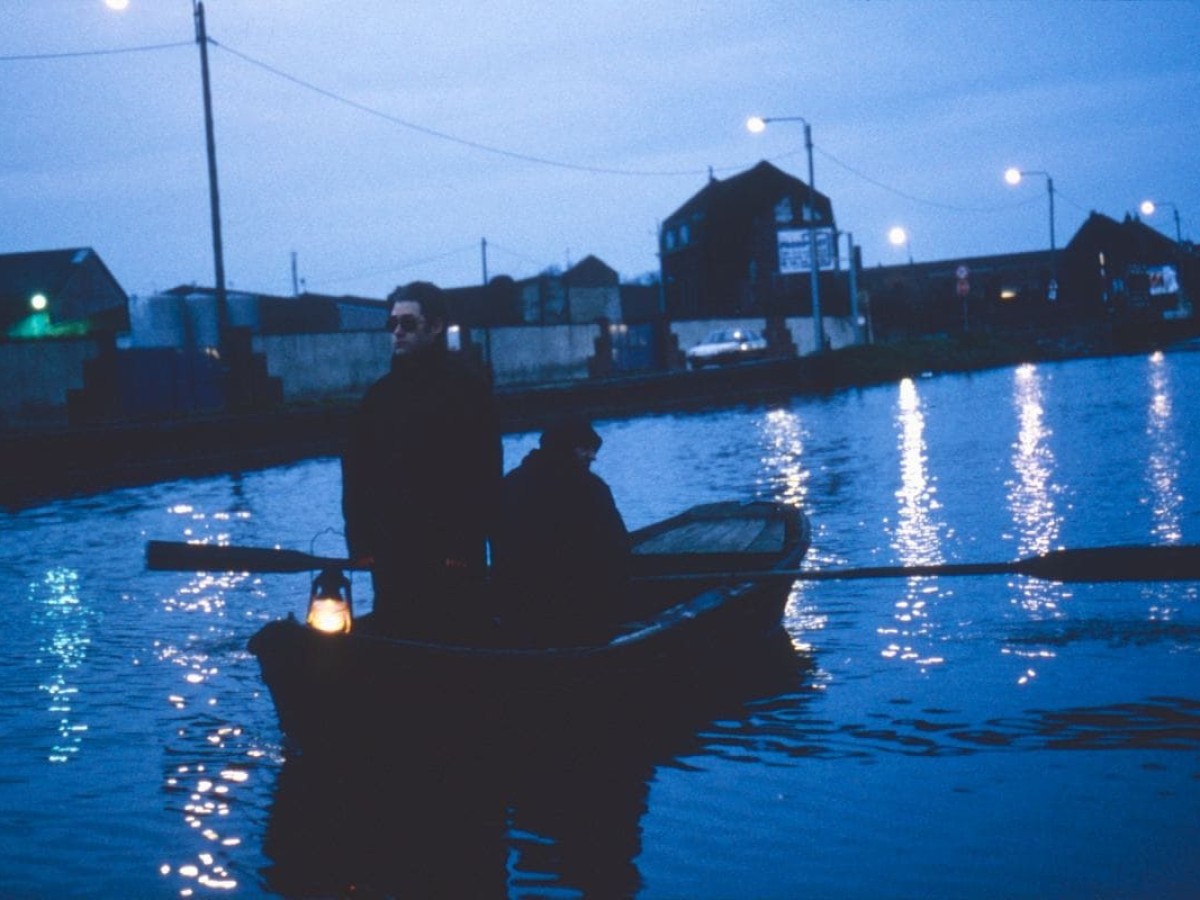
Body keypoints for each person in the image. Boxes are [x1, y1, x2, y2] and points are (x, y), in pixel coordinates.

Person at [341, 282, 502, 636]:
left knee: (456, 635)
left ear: (436, 326)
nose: (397, 332)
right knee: (400, 633)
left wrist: (463, 543)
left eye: (408, 323)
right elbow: (356, 476)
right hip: (393, 555)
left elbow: (483, 477)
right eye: (393, 324)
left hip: (452, 557)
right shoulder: (378, 399)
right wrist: (361, 544)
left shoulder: (468, 393)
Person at [491, 416, 630, 645]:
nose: (592, 456)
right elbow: (617, 549)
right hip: (580, 612)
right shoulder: (591, 489)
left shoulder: (511, 484)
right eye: (585, 448)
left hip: (518, 610)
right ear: (567, 448)